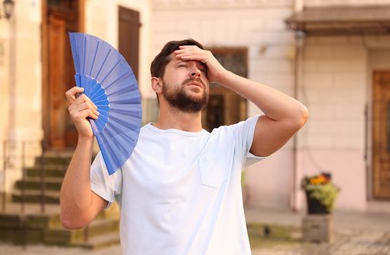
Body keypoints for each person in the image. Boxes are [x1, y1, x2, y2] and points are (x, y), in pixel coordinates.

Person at [61, 38, 308, 254]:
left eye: (202, 68)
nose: (196, 72)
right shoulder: (125, 146)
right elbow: (73, 217)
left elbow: (294, 115)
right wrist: (85, 140)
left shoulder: (228, 142)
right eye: (183, 65)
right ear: (156, 84)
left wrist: (223, 75)